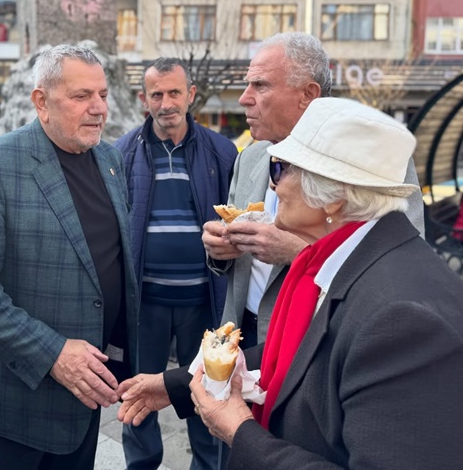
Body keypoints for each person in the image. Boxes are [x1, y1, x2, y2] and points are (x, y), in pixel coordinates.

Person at [118, 97, 463, 469]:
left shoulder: (403, 320)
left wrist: (239, 431)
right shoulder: (348, 261)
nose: (273, 185)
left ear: (333, 198)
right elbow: (299, 356)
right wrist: (178, 384)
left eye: (281, 168)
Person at [0, 44, 139, 470]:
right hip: (13, 404)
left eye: (102, 95)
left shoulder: (110, 160)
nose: (98, 108)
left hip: (85, 398)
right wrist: (52, 354)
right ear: (41, 102)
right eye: (81, 96)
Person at [202, 32, 424, 350]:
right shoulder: (251, 156)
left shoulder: (371, 162)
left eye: (260, 85)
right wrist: (220, 249)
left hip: (316, 341)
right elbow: (237, 259)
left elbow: (402, 264)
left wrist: (301, 253)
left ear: (308, 94)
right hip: (242, 333)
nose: (244, 98)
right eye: (247, 84)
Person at [115, 58, 237, 470]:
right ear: (143, 99)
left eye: (174, 93)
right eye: (156, 94)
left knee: (205, 395)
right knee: (137, 396)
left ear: (191, 95)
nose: (166, 103)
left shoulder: (221, 152)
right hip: (144, 304)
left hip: (204, 303)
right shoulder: (121, 154)